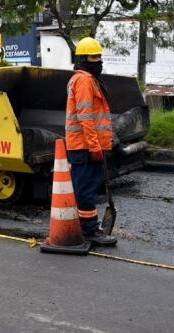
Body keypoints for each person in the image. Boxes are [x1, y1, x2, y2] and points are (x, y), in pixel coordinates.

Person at [65, 37, 116, 246]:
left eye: (99, 56)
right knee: (86, 190)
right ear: (83, 59)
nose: (98, 61)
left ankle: (89, 227)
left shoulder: (84, 79)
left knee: (88, 188)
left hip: (86, 145)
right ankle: (89, 231)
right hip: (85, 146)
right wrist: (95, 146)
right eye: (93, 57)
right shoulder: (84, 80)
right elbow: (85, 117)